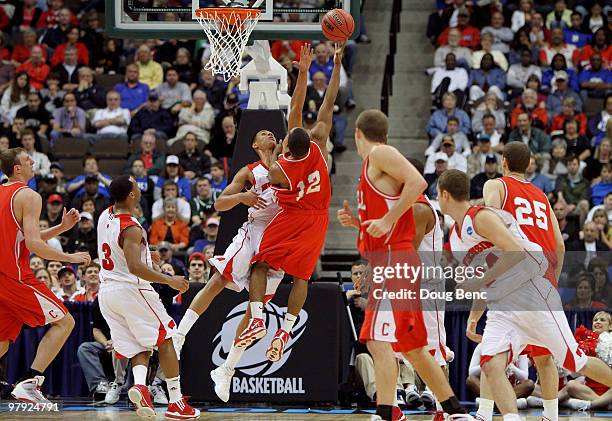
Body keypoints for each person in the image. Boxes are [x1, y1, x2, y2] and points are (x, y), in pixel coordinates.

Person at [440, 169, 612, 421]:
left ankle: (547, 414)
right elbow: (483, 278)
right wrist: (474, 315)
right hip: (502, 305)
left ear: (444, 195)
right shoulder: (455, 237)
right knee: (489, 363)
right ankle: (506, 417)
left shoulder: (481, 217)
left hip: (532, 293)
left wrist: (479, 281)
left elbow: (516, 252)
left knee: (575, 361)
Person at [337, 110, 470, 421]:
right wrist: (358, 223)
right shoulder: (375, 173)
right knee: (395, 343)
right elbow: (387, 224)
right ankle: (404, 410)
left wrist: (385, 219)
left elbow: (418, 181)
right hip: (390, 262)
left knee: (397, 343)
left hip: (400, 264)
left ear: (358, 134)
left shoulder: (381, 153)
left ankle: (436, 411)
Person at [173, 127, 283, 399]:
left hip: (279, 237)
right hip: (254, 231)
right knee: (218, 280)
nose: (270, 136)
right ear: (255, 144)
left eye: (272, 133)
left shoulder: (285, 162)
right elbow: (220, 204)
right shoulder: (249, 171)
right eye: (264, 133)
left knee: (256, 309)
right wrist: (241, 197)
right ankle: (179, 335)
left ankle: (227, 369)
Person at [96, 175, 198, 419]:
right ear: (132, 194)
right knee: (166, 338)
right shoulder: (130, 227)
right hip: (131, 289)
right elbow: (133, 266)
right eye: (134, 183)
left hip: (107, 292)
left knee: (138, 343)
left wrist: (145, 254)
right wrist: (169, 279)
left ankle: (140, 386)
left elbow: (119, 250)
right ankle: (176, 402)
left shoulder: (105, 215)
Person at [481, 142, 566, 421]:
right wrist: (552, 279)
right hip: (543, 281)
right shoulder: (541, 195)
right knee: (544, 356)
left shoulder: (496, 185)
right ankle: (551, 417)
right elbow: (560, 246)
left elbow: (491, 221)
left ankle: (483, 413)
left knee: (492, 353)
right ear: (529, 164)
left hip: (514, 277)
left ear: (504, 162)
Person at [0, 147, 90, 403]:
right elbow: (34, 246)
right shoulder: (28, 195)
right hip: (15, 276)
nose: (32, 161)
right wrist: (70, 258)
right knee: (65, 322)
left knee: (2, 340)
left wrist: (61, 228)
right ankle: (30, 381)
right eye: (28, 159)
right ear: (17, 168)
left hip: (1, 278)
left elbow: (23, 238)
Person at [76, 295, 128, 404]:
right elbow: (96, 329)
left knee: (137, 349)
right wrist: (106, 344)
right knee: (85, 349)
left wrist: (117, 340)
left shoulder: (128, 297)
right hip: (108, 343)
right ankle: (100, 385)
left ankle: (131, 386)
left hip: (127, 341)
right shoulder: (99, 300)